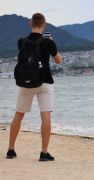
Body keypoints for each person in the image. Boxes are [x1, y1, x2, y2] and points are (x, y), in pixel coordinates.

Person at [6, 13, 62, 161]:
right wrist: (52, 43)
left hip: (26, 82)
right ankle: (44, 152)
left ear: (30, 23)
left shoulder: (21, 41)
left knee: (19, 115)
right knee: (45, 116)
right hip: (44, 82)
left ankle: (11, 150)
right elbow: (58, 61)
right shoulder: (48, 42)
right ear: (43, 25)